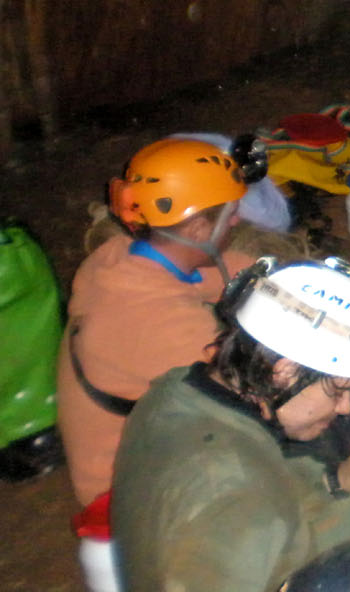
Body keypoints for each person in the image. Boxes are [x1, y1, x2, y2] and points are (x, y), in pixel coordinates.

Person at [111, 256, 350, 592]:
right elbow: (243, 508)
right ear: (284, 371)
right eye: (338, 391)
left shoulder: (178, 391)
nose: (345, 408)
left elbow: (264, 505)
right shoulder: (232, 490)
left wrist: (336, 482)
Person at [56, 137, 255, 591]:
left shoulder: (118, 259)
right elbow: (253, 398)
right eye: (229, 214)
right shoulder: (166, 327)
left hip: (123, 457)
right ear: (200, 228)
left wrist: (272, 271)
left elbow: (207, 273)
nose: (237, 220)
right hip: (129, 489)